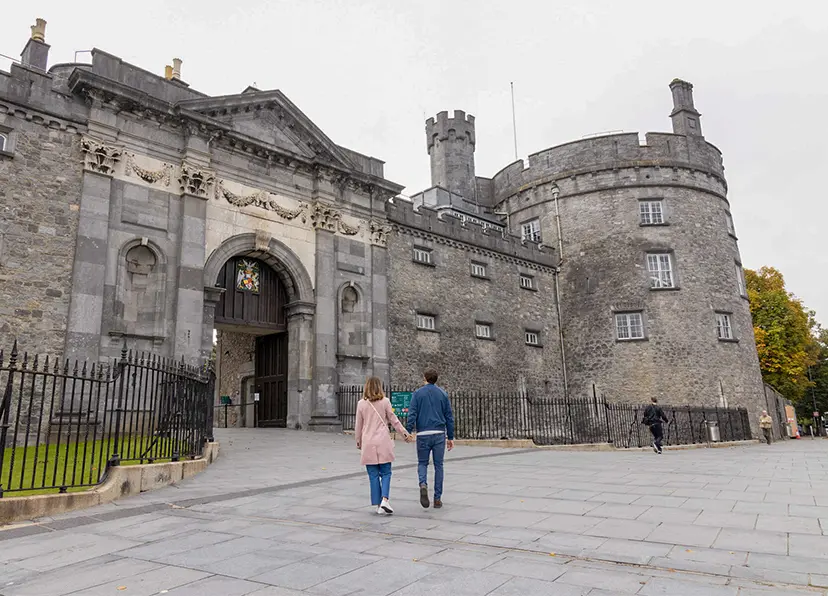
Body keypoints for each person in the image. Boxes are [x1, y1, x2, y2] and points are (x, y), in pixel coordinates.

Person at [354, 377, 412, 515]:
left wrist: (358, 441)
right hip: (383, 441)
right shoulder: (385, 402)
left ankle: (378, 504)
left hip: (368, 442)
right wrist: (405, 434)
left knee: (373, 475)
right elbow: (394, 420)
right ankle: (385, 499)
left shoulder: (361, 404)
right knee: (386, 472)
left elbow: (358, 425)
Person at [406, 368, 455, 509]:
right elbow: (449, 416)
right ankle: (437, 498)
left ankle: (423, 483)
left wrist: (408, 431)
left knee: (422, 463)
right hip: (439, 433)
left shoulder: (417, 394)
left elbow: (412, 413)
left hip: (423, 433)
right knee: (439, 466)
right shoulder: (443, 394)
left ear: (425, 378)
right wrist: (450, 436)